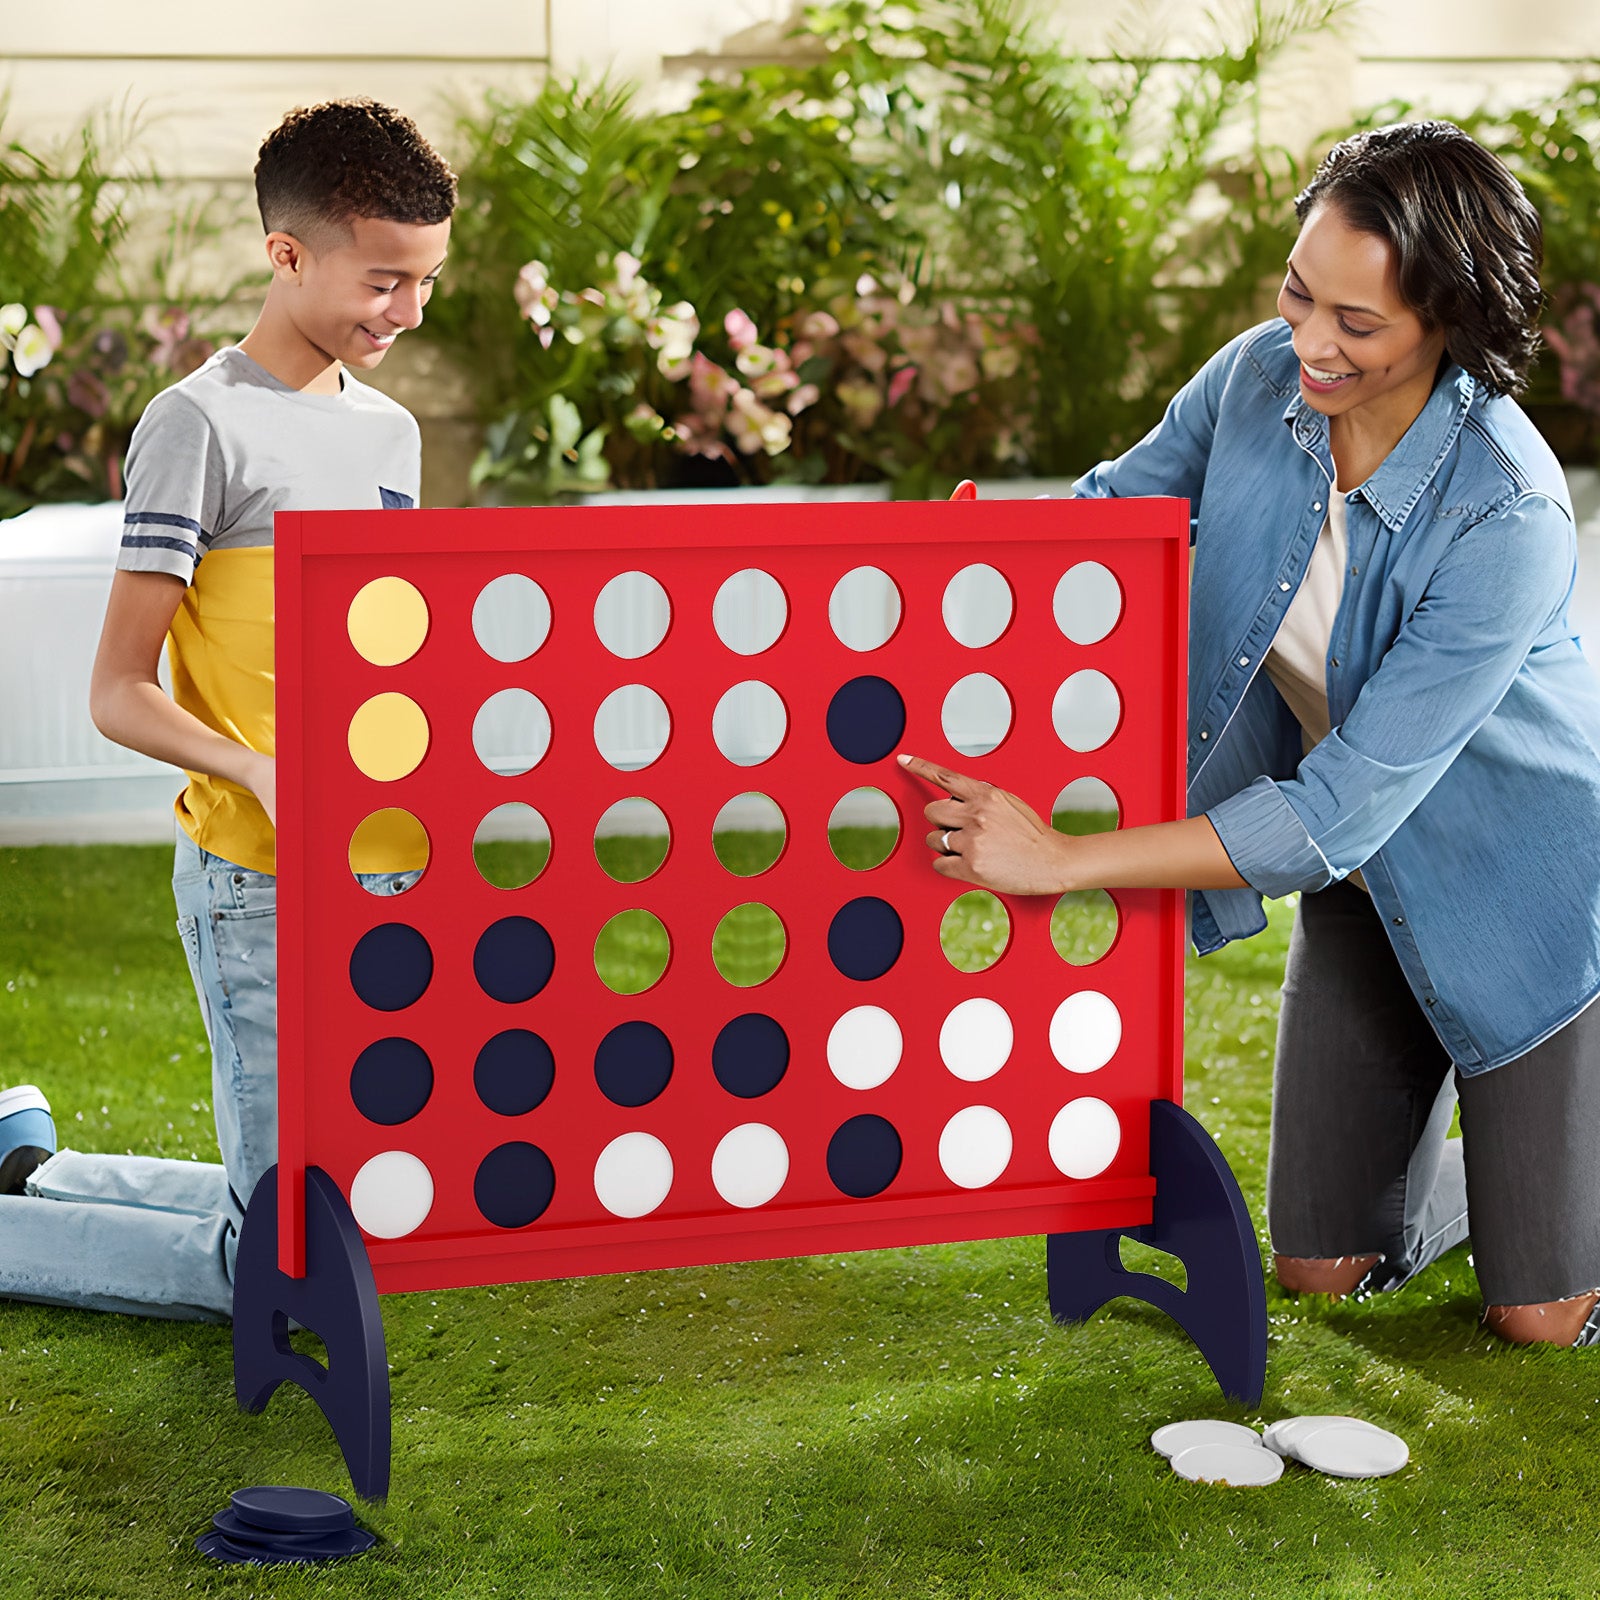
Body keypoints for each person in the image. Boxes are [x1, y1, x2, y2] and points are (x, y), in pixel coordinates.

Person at [900, 120, 1600, 1348]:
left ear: (1446, 320)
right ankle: (1500, 1178)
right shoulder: (1256, 381)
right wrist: (969, 552)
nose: (1310, 341)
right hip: (1370, 895)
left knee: (1538, 1318)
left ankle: (1550, 1193)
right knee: (1322, 1269)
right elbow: (1112, 519)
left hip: (1526, 903)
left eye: (1356, 323)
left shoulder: (1508, 511)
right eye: (1297, 293)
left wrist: (1062, 857)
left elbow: (1334, 812)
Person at [0, 98, 456, 1320]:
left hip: (380, 860)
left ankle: (36, 1169)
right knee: (289, 1268)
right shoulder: (196, 425)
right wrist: (255, 769)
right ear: (286, 254)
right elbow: (118, 691)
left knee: (346, 1210)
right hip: (259, 872)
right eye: (384, 280)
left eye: (424, 281)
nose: (408, 311)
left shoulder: (391, 435)